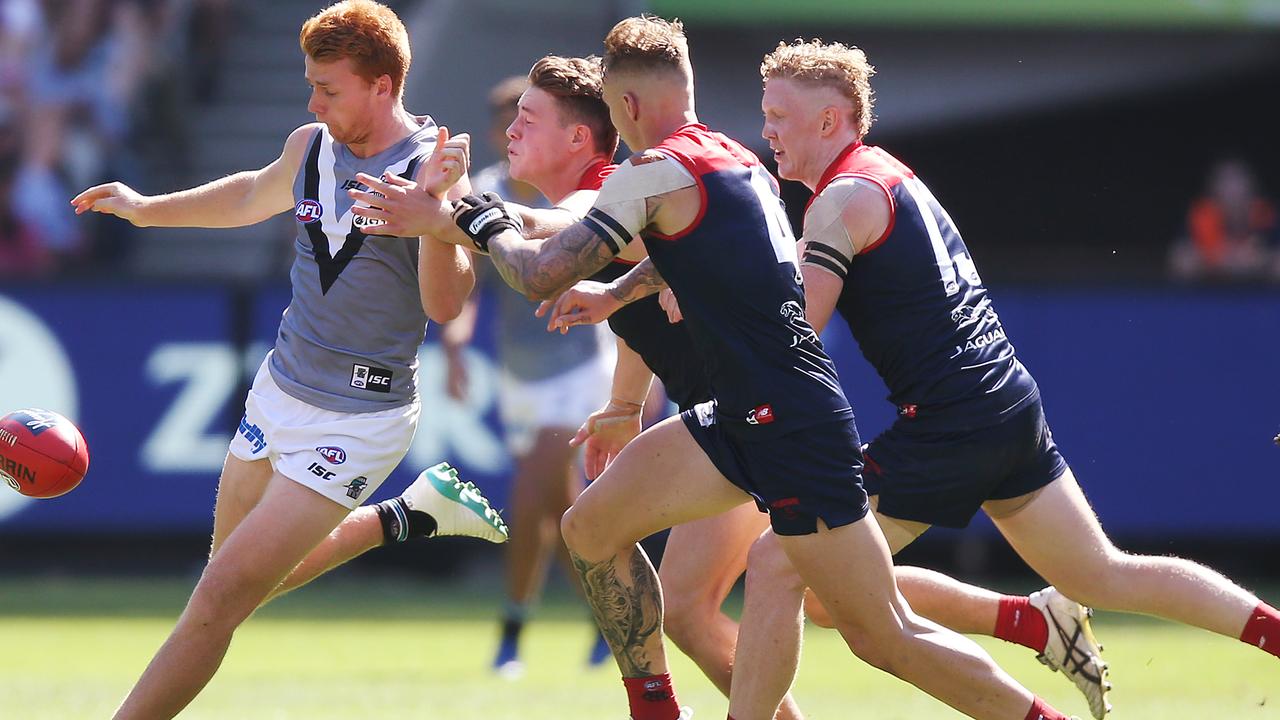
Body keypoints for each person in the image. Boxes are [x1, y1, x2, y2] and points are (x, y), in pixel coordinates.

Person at [410, 15, 1081, 720]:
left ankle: (1041, 697)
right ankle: (657, 710)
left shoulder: (653, 171)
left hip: (789, 427)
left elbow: (545, 267)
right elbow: (674, 255)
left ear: (628, 107)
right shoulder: (728, 155)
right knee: (591, 531)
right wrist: (618, 316)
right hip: (738, 414)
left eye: (611, 110)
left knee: (880, 634)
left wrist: (467, 215)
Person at [715, 39, 1280, 720]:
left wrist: (702, 297)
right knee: (1100, 572)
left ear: (830, 122)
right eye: (765, 110)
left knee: (782, 566)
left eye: (778, 113)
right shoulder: (885, 175)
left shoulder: (839, 202)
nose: (766, 128)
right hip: (1004, 402)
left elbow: (797, 331)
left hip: (952, 421)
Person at [69, 3, 508, 718]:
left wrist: (433, 213)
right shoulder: (311, 145)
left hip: (361, 416)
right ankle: (404, 518)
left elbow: (445, 304)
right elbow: (249, 193)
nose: (314, 102)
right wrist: (148, 207)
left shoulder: (432, 168)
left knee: (218, 597)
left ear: (384, 86)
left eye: (329, 89)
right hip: (279, 389)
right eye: (311, 85)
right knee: (226, 584)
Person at [441, 71, 613, 676]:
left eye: (527, 122)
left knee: (531, 495)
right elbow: (467, 289)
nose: (513, 134)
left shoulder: (572, 194)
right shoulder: (485, 193)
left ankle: (511, 631)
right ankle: (607, 618)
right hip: (520, 372)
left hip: (582, 365)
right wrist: (457, 347)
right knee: (557, 507)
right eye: (508, 124)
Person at [1168, 157, 1280, 282]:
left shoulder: (1265, 215)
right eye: (1226, 185)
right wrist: (1221, 259)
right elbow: (1180, 259)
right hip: (1211, 291)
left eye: (1238, 185)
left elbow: (1274, 255)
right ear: (1214, 192)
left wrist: (1259, 260)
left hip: (1260, 293)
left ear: (1251, 189)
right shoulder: (1203, 216)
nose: (1233, 193)